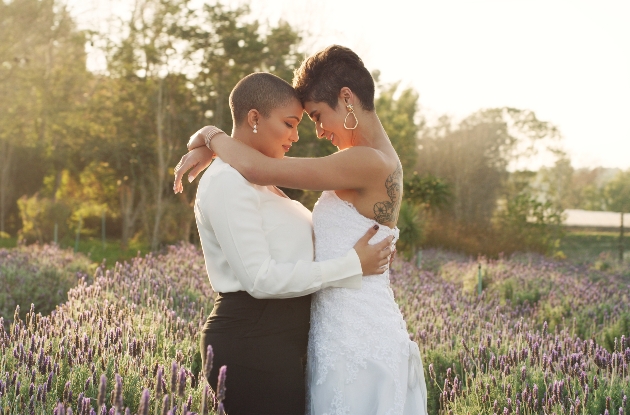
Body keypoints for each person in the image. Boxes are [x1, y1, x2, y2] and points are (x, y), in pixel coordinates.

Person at [176, 45, 427, 415]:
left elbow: (259, 169)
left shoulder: (366, 160)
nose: (319, 131)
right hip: (330, 327)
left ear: (347, 98)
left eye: (317, 116)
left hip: (355, 330)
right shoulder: (375, 158)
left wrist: (210, 137)